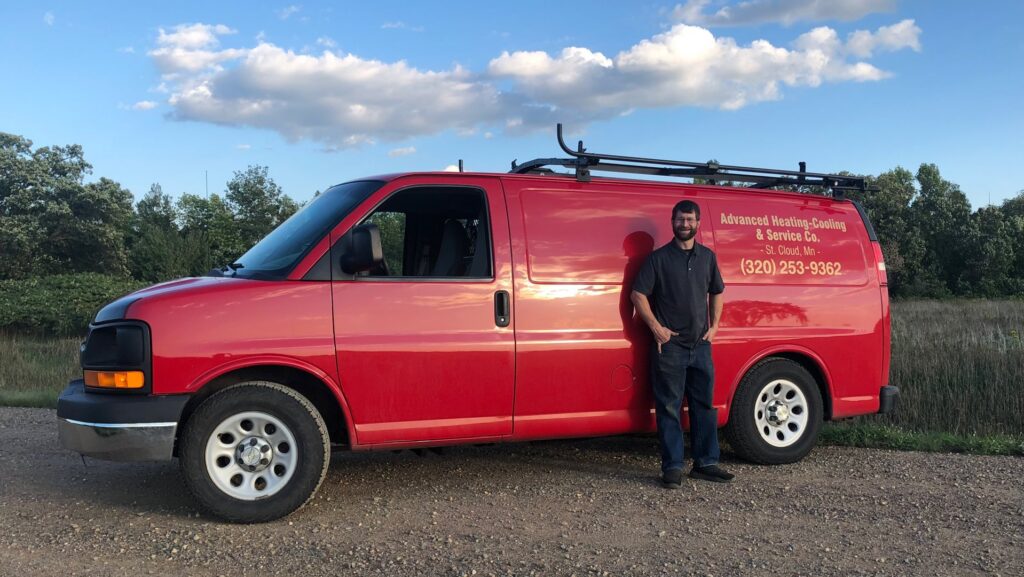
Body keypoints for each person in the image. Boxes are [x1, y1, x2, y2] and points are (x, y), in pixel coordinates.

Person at [631, 199, 734, 487]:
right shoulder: (658, 259)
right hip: (671, 347)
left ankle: (706, 463)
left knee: (704, 406)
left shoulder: (708, 257)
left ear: (698, 224)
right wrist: (656, 328)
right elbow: (638, 295)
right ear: (672, 222)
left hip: (700, 346)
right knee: (669, 407)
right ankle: (673, 467)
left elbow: (717, 292)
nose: (684, 224)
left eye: (689, 220)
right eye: (680, 219)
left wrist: (714, 327)